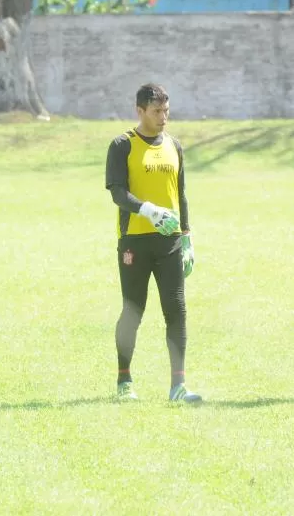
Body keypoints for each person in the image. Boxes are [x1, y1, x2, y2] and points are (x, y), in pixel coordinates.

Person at [105, 83, 200, 404]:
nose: (163, 118)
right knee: (133, 310)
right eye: (157, 112)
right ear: (140, 111)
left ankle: (178, 386)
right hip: (135, 241)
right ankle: (124, 381)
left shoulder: (174, 146)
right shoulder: (122, 145)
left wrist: (186, 237)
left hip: (169, 242)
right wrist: (148, 210)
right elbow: (118, 193)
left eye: (166, 112)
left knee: (176, 310)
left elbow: (180, 193)